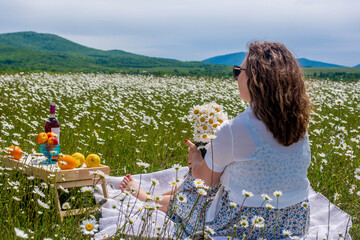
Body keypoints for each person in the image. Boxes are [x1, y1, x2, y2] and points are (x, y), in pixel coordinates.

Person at [119, 41, 311, 239]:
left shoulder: (234, 129)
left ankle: (149, 200)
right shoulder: (299, 125)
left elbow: (204, 182)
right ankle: (156, 196)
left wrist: (195, 160)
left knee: (197, 190)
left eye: (238, 71)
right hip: (294, 220)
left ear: (256, 79)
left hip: (244, 224)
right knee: (221, 172)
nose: (236, 77)